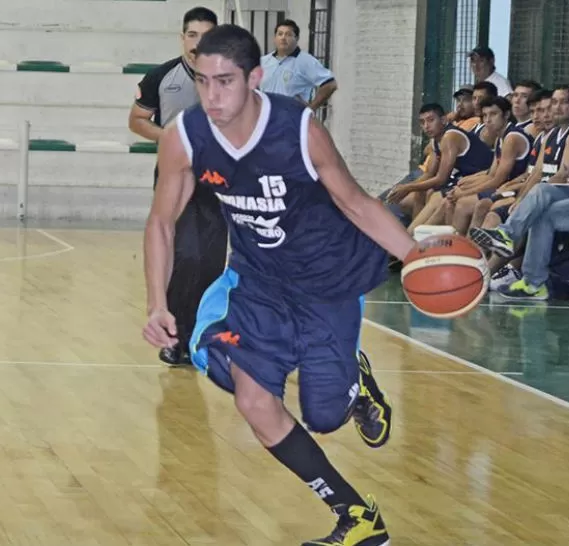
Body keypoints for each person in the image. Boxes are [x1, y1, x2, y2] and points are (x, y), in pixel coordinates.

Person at [143, 24, 415, 546]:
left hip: (326, 279)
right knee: (251, 396)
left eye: (225, 82)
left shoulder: (299, 129)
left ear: (256, 78)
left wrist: (419, 258)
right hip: (261, 281)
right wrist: (156, 303)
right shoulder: (185, 137)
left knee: (324, 415)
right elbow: (160, 222)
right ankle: (357, 515)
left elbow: (356, 203)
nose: (212, 96)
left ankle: (354, 383)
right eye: (202, 81)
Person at [128, 6, 228, 366]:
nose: (198, 42)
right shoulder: (162, 76)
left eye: (206, 35)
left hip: (219, 179)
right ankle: (174, 336)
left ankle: (199, 334)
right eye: (192, 35)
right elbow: (137, 120)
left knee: (212, 260)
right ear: (182, 37)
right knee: (186, 254)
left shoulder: (231, 77)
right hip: (175, 176)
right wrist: (170, 138)